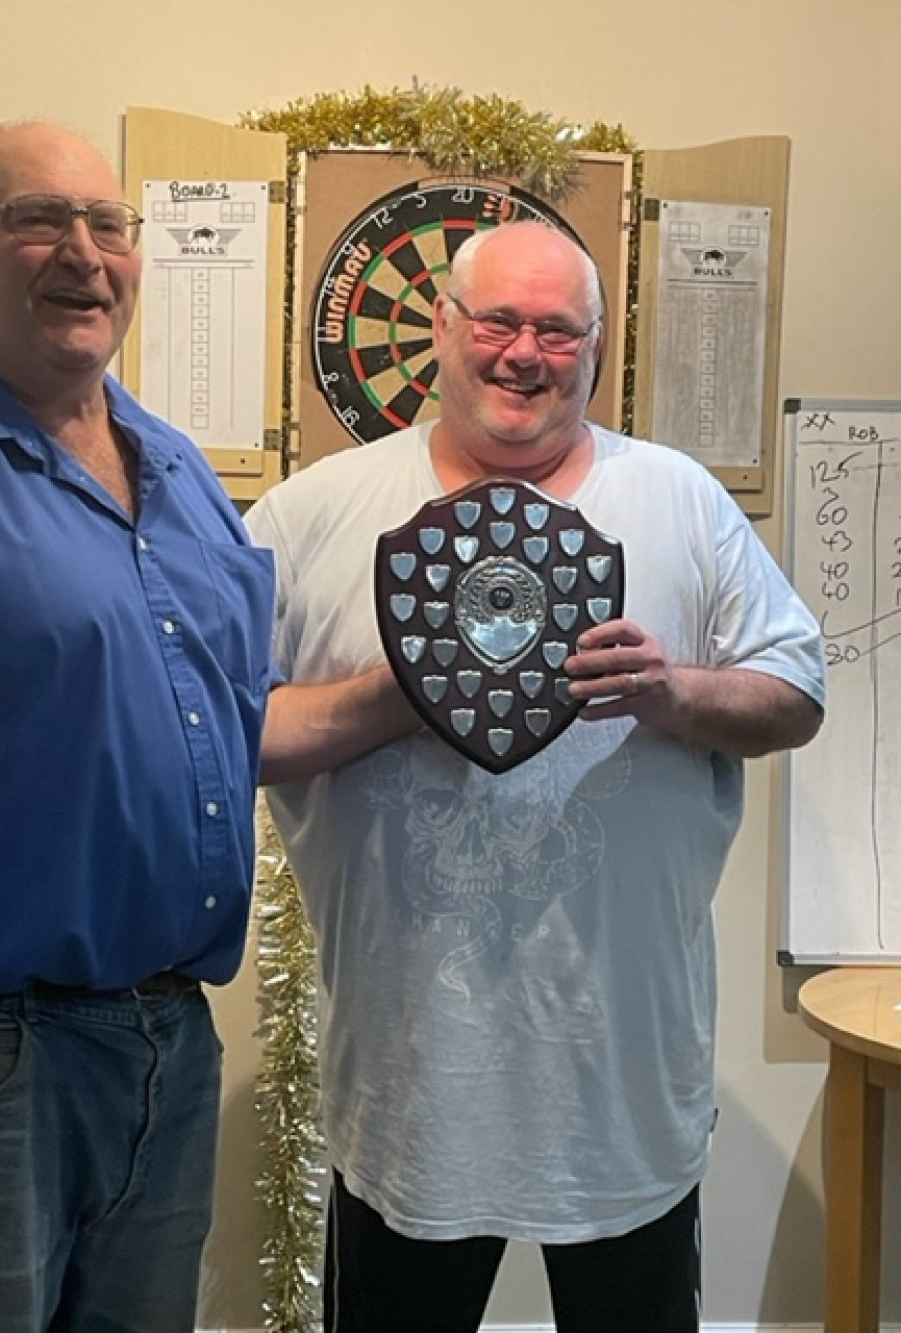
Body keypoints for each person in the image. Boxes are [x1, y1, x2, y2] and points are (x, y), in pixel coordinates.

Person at [246, 219, 826, 1333]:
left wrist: (674, 694)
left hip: (621, 1088)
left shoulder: (680, 500)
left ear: (596, 347)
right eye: (499, 320)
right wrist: (393, 693)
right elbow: (223, 733)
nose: (525, 351)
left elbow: (794, 693)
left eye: (557, 329)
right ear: (441, 328)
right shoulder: (314, 514)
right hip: (409, 1089)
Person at [0, 119, 410, 1333]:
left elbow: (232, 731)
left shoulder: (177, 473)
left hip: (164, 1047)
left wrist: (419, 690)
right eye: (37, 219)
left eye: (107, 225)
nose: (82, 252)